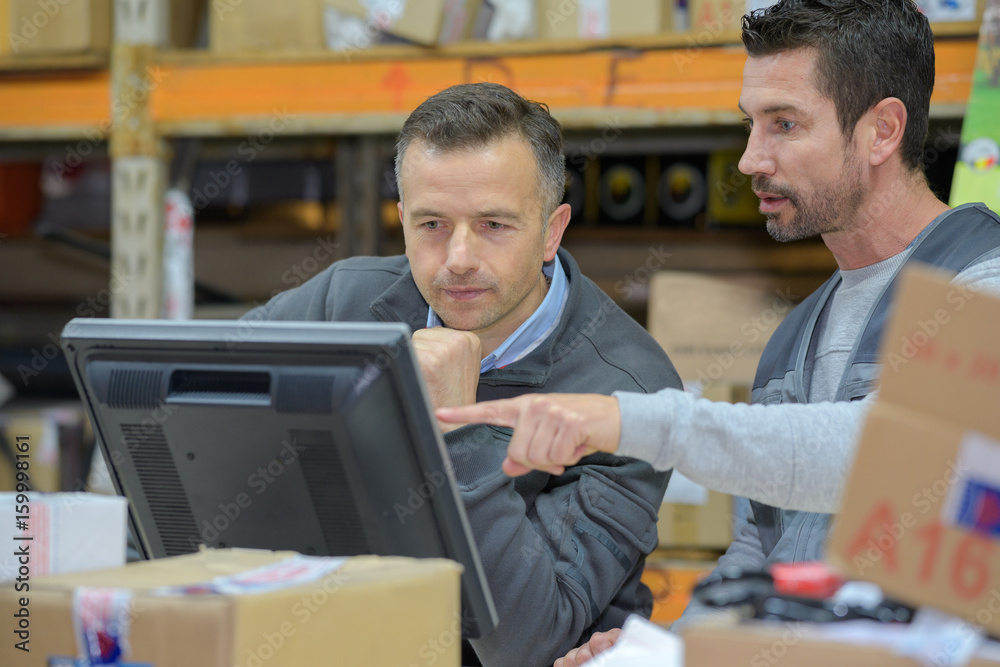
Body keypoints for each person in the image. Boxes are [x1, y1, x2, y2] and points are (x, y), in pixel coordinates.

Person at [439, 0, 1000, 656]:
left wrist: (630, 420)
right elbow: (757, 552)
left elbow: (884, 456)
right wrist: (670, 645)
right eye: (750, 124)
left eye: (784, 124)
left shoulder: (982, 285)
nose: (750, 159)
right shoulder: (795, 339)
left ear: (882, 130)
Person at [242, 82, 683, 666]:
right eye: (432, 225)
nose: (458, 259)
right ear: (401, 220)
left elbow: (528, 640)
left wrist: (457, 428)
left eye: (494, 225)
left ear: (552, 232)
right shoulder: (342, 304)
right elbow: (187, 396)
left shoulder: (630, 391)